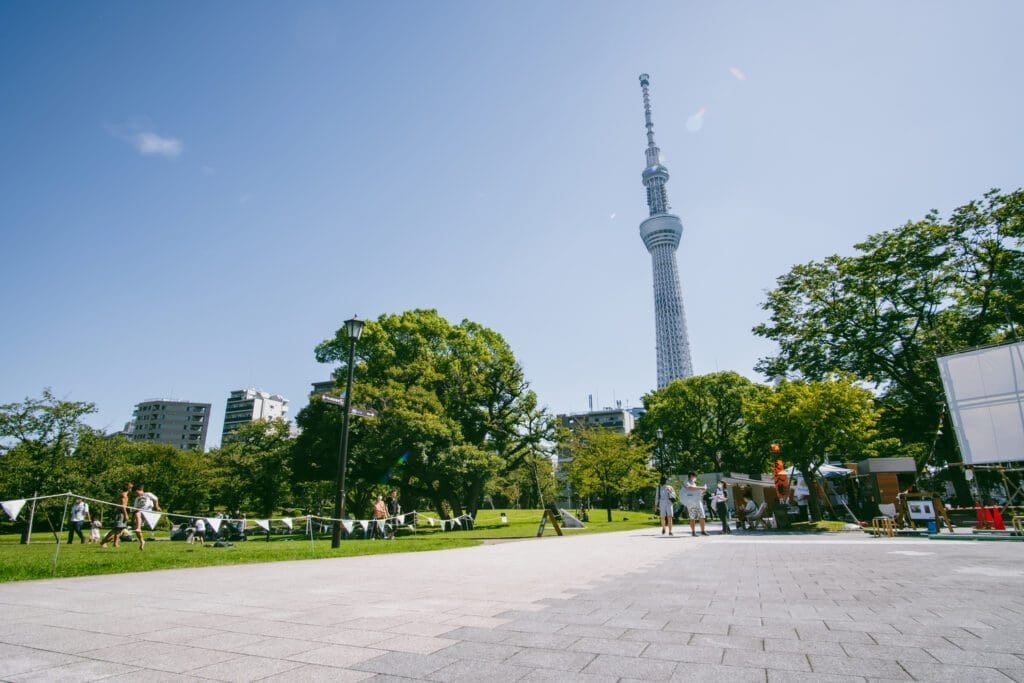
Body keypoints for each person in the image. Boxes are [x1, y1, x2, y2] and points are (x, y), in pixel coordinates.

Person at [101, 482, 132, 548]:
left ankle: (115, 543)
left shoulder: (124, 495)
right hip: (121, 513)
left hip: (122, 513)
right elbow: (122, 506)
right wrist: (126, 515)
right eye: (131, 488)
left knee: (120, 529)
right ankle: (103, 542)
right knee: (115, 529)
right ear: (129, 488)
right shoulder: (124, 495)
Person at [131, 484, 159, 551]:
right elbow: (135, 508)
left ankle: (138, 527)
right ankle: (142, 541)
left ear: (140, 490)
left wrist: (156, 507)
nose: (136, 494)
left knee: (137, 513)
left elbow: (156, 499)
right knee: (137, 529)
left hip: (148, 512)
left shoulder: (147, 494)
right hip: (140, 515)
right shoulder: (137, 499)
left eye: (136, 492)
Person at [683, 472, 709, 537]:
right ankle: (693, 532)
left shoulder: (694, 483)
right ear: (691, 476)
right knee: (692, 517)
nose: (695, 478)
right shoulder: (686, 482)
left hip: (698, 501)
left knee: (702, 516)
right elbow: (689, 488)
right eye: (695, 476)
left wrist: (703, 490)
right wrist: (701, 487)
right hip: (691, 502)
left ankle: (703, 531)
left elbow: (696, 491)